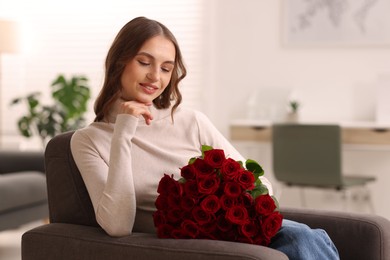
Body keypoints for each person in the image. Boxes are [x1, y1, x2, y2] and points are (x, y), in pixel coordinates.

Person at [70, 16, 339, 260]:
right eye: (144, 62)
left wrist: (228, 203)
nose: (155, 76)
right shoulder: (89, 140)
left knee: (307, 237)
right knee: (301, 238)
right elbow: (117, 225)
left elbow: (262, 184)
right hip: (193, 246)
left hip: (233, 232)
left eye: (166, 68)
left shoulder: (190, 122)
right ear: (120, 61)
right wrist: (124, 131)